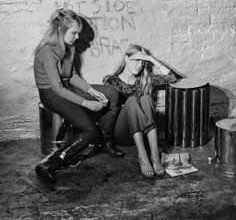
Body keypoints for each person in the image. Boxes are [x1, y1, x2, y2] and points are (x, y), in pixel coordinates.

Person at [34, 9, 124, 184]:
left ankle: (105, 141)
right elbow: (58, 88)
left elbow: (72, 76)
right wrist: (87, 103)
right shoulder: (47, 52)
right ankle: (50, 165)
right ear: (60, 30)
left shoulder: (69, 47)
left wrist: (91, 91)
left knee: (112, 93)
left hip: (67, 87)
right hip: (52, 94)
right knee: (90, 130)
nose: (76, 37)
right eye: (73, 32)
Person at [103, 44, 179, 178]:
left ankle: (154, 156)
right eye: (136, 60)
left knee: (146, 98)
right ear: (126, 59)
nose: (140, 65)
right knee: (132, 101)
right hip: (122, 133)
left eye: (143, 62)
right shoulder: (112, 81)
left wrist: (151, 58)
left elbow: (172, 78)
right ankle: (143, 157)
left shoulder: (145, 79)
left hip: (143, 133)